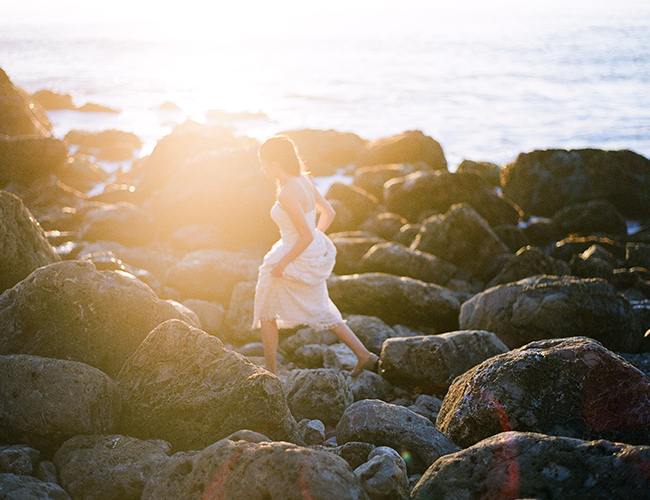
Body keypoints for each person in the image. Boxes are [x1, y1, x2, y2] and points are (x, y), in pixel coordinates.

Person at [252, 135, 378, 376]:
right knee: (321, 309)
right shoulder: (304, 181)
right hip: (305, 252)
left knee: (267, 306)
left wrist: (282, 263)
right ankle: (363, 354)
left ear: (276, 163)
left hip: (294, 251)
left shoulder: (286, 193)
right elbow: (328, 213)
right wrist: (315, 240)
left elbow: (306, 235)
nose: (263, 169)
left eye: (264, 163)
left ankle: (271, 369)